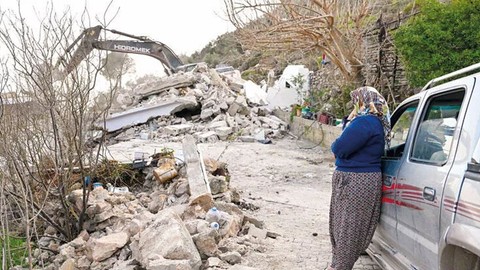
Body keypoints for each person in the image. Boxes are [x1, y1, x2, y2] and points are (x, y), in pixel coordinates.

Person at [327, 86, 391, 270]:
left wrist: (336, 143)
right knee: (348, 225)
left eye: (357, 100)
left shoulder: (366, 122)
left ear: (364, 101)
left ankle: (339, 267)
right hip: (360, 179)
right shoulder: (373, 122)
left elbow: (339, 148)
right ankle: (339, 264)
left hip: (355, 180)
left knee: (348, 226)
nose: (354, 104)